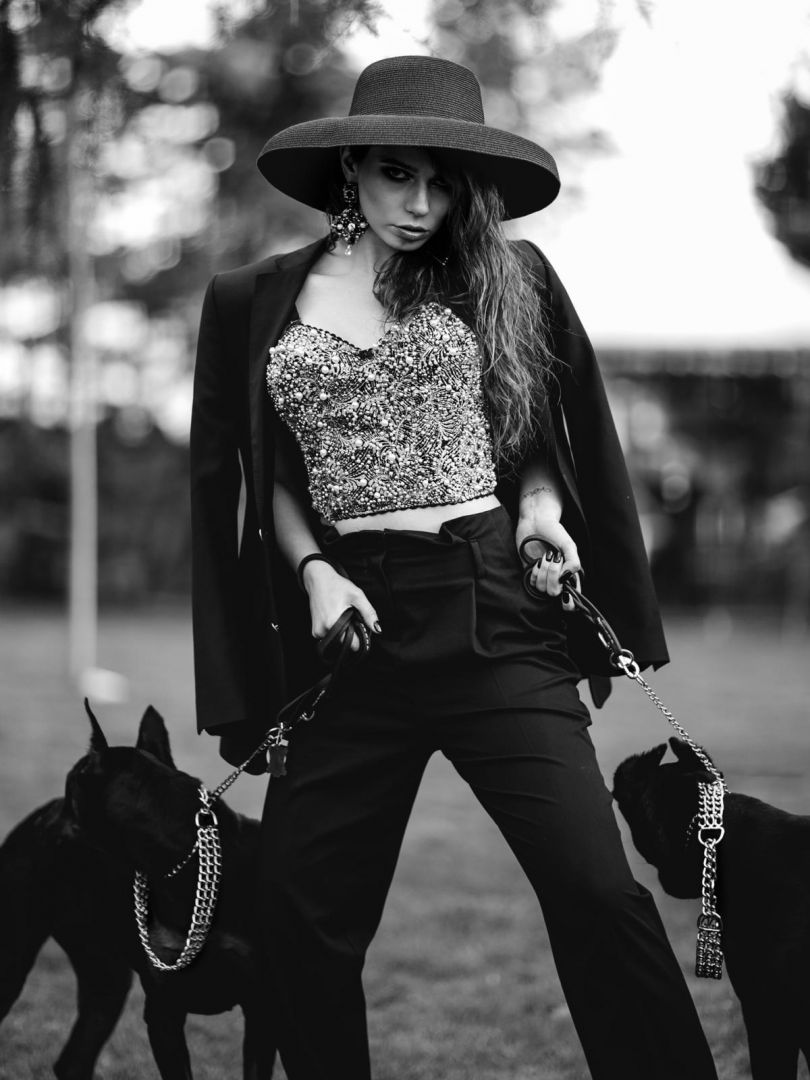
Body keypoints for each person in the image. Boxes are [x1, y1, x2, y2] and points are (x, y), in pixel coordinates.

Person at [190, 55, 718, 1080]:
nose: (421, 205)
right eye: (398, 174)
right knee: (300, 911)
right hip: (347, 637)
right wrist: (312, 570)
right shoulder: (249, 299)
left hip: (491, 609)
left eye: (442, 183)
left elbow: (537, 439)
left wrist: (540, 515)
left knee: (596, 891)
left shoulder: (504, 276)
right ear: (351, 167)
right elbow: (265, 470)